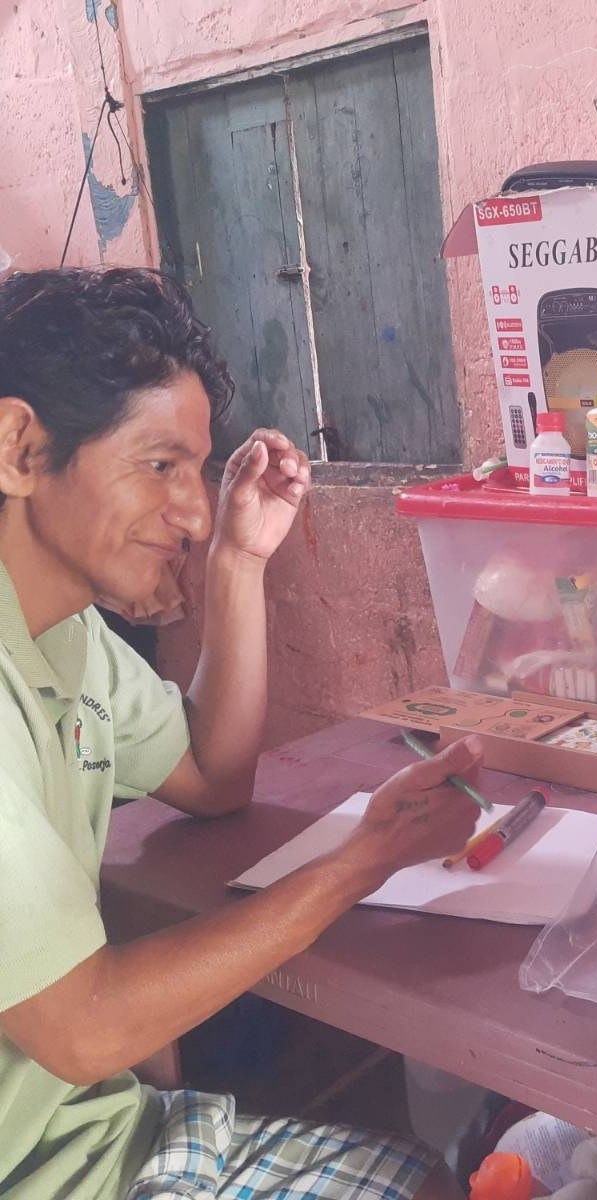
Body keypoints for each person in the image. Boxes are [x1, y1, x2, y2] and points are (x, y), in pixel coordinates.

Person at [0, 268, 479, 1200]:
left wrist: (239, 560)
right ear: (20, 448)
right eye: (160, 465)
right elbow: (88, 1030)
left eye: (197, 472)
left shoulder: (69, 637)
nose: (192, 510)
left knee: (425, 1181)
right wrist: (361, 860)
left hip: (91, 1135)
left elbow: (213, 775)